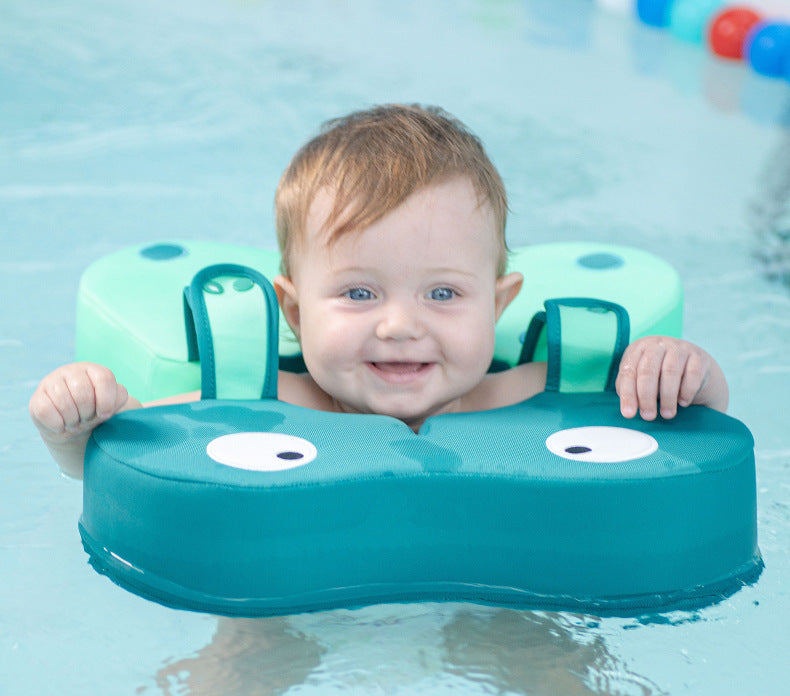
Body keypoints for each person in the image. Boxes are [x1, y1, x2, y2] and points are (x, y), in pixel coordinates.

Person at [29, 104, 729, 479]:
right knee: (240, 660)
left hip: (503, 594)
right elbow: (121, 454)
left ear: (501, 303)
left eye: (444, 296)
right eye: (360, 295)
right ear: (296, 313)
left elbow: (692, 422)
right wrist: (82, 422)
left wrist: (679, 370)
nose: (400, 325)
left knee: (561, 667)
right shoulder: (265, 402)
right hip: (290, 597)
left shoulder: (534, 390)